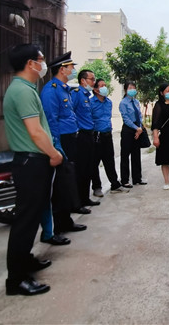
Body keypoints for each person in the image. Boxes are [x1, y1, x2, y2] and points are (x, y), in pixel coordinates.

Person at [3, 43, 63, 296]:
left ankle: (25, 261)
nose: (43, 64)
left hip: (32, 161)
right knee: (25, 221)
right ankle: (16, 280)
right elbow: (35, 132)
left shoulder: (25, 88)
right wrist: (54, 154)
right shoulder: (22, 91)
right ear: (30, 63)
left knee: (32, 217)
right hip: (31, 162)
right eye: (41, 59)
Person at [40, 52, 88, 234]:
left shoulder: (64, 89)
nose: (73, 70)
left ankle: (67, 220)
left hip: (71, 138)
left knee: (68, 181)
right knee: (60, 184)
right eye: (71, 67)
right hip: (62, 140)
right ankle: (60, 225)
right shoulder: (51, 90)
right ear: (62, 70)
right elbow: (50, 120)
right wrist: (56, 146)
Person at [91, 79, 129, 194]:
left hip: (107, 134)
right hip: (96, 135)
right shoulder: (91, 103)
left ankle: (115, 185)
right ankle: (97, 187)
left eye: (105, 85)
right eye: (102, 86)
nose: (105, 87)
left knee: (109, 160)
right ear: (95, 89)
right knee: (94, 162)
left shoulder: (109, 102)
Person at [71, 69, 101, 206]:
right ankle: (78, 201)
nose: (94, 82)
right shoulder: (76, 94)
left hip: (90, 134)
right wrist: (77, 130)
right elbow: (71, 113)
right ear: (83, 81)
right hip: (81, 135)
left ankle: (85, 198)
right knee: (81, 169)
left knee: (89, 168)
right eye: (92, 79)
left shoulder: (86, 96)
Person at [119, 81, 145, 187]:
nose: (132, 90)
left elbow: (140, 115)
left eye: (134, 87)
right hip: (128, 130)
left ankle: (137, 178)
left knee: (136, 155)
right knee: (125, 156)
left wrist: (140, 128)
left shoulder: (136, 101)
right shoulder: (123, 103)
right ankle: (125, 180)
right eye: (130, 88)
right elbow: (126, 118)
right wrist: (136, 128)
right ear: (125, 90)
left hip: (137, 129)